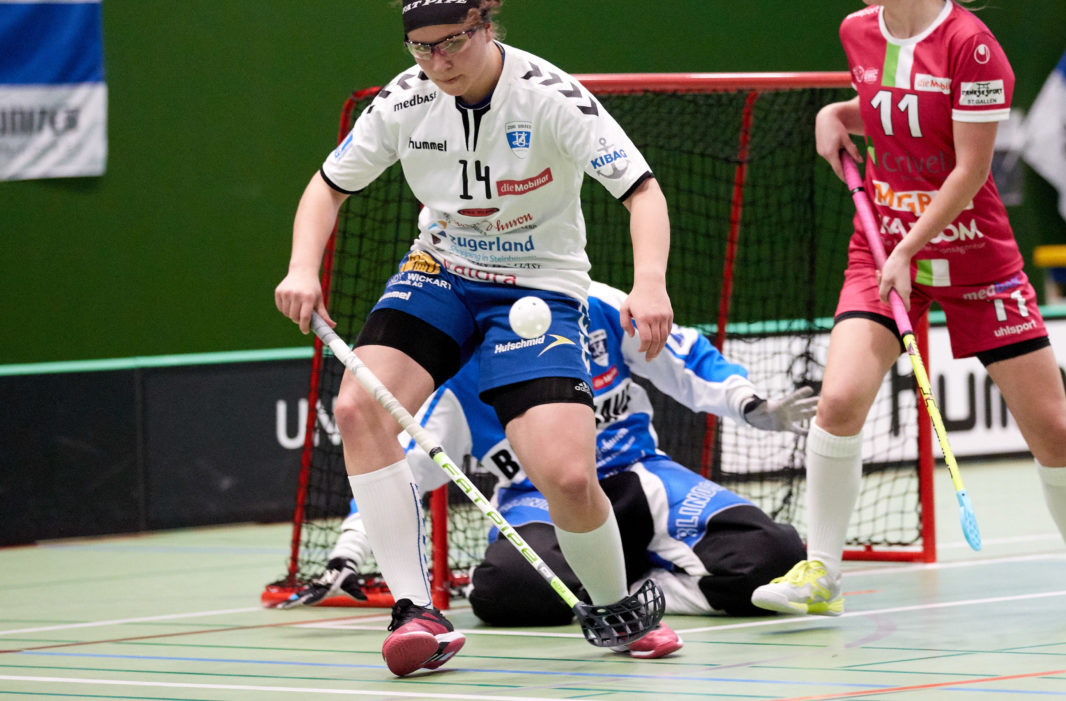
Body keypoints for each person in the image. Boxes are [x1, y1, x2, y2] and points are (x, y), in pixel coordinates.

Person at [751, 0, 1066, 618]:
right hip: (881, 245)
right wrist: (837, 112)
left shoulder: (973, 49)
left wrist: (910, 245)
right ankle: (820, 573)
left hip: (971, 254)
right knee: (842, 398)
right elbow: (887, 108)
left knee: (1048, 424)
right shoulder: (859, 31)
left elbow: (969, 167)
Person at [274, 0, 674, 677]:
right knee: (361, 405)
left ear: (485, 24)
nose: (439, 61)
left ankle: (619, 607)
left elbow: (642, 191)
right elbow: (326, 188)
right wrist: (303, 266)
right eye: (422, 47)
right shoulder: (402, 101)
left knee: (568, 474)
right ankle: (413, 608)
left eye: (453, 40)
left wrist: (649, 285)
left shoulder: (551, 97)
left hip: (540, 286)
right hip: (442, 271)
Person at [289, 281, 815, 659]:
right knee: (505, 592)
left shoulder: (600, 306)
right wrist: (351, 546)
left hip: (640, 476)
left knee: (777, 557)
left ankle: (629, 587)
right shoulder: (457, 379)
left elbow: (685, 357)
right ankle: (612, 586)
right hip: (538, 501)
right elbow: (399, 463)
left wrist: (750, 404)